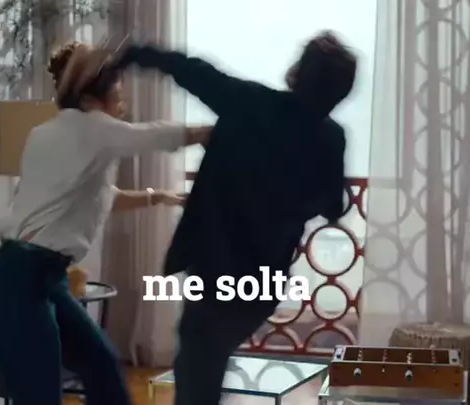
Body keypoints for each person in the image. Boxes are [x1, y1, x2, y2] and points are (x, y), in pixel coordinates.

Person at [117, 31, 357, 405]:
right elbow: (332, 207)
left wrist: (135, 53)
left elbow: (193, 71)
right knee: (204, 367)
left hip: (215, 272)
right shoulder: (331, 137)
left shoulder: (250, 103)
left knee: (197, 376)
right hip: (262, 284)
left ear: (299, 72)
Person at [0, 41, 211, 405]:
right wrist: (208, 133)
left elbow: (100, 197)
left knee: (102, 364)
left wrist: (157, 196)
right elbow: (153, 135)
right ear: (94, 95)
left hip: (37, 277)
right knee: (40, 396)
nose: (123, 103)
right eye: (119, 93)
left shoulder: (51, 133)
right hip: (19, 282)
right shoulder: (93, 128)